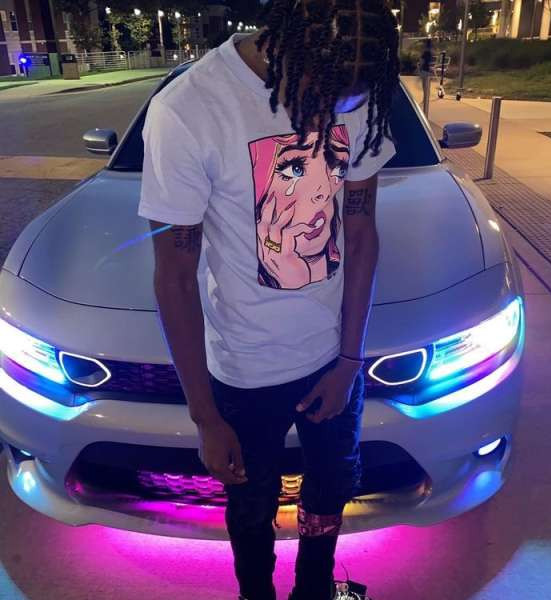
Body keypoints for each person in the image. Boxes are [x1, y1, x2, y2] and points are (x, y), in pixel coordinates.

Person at [137, 1, 400, 599]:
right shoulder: (190, 110)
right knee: (252, 504)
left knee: (331, 488)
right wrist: (205, 415)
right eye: (322, 96)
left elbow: (360, 231)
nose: (333, 112)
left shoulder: (356, 78)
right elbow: (174, 276)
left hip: (333, 357)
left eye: (346, 103)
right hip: (245, 371)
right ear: (287, 48)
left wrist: (350, 361)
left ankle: (314, 589)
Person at [419, 37, 433, 107]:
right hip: (428, 70)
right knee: (427, 86)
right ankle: (426, 98)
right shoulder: (430, 53)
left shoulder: (424, 53)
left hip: (424, 70)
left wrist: (419, 68)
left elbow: (422, 62)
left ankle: (425, 99)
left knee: (424, 86)